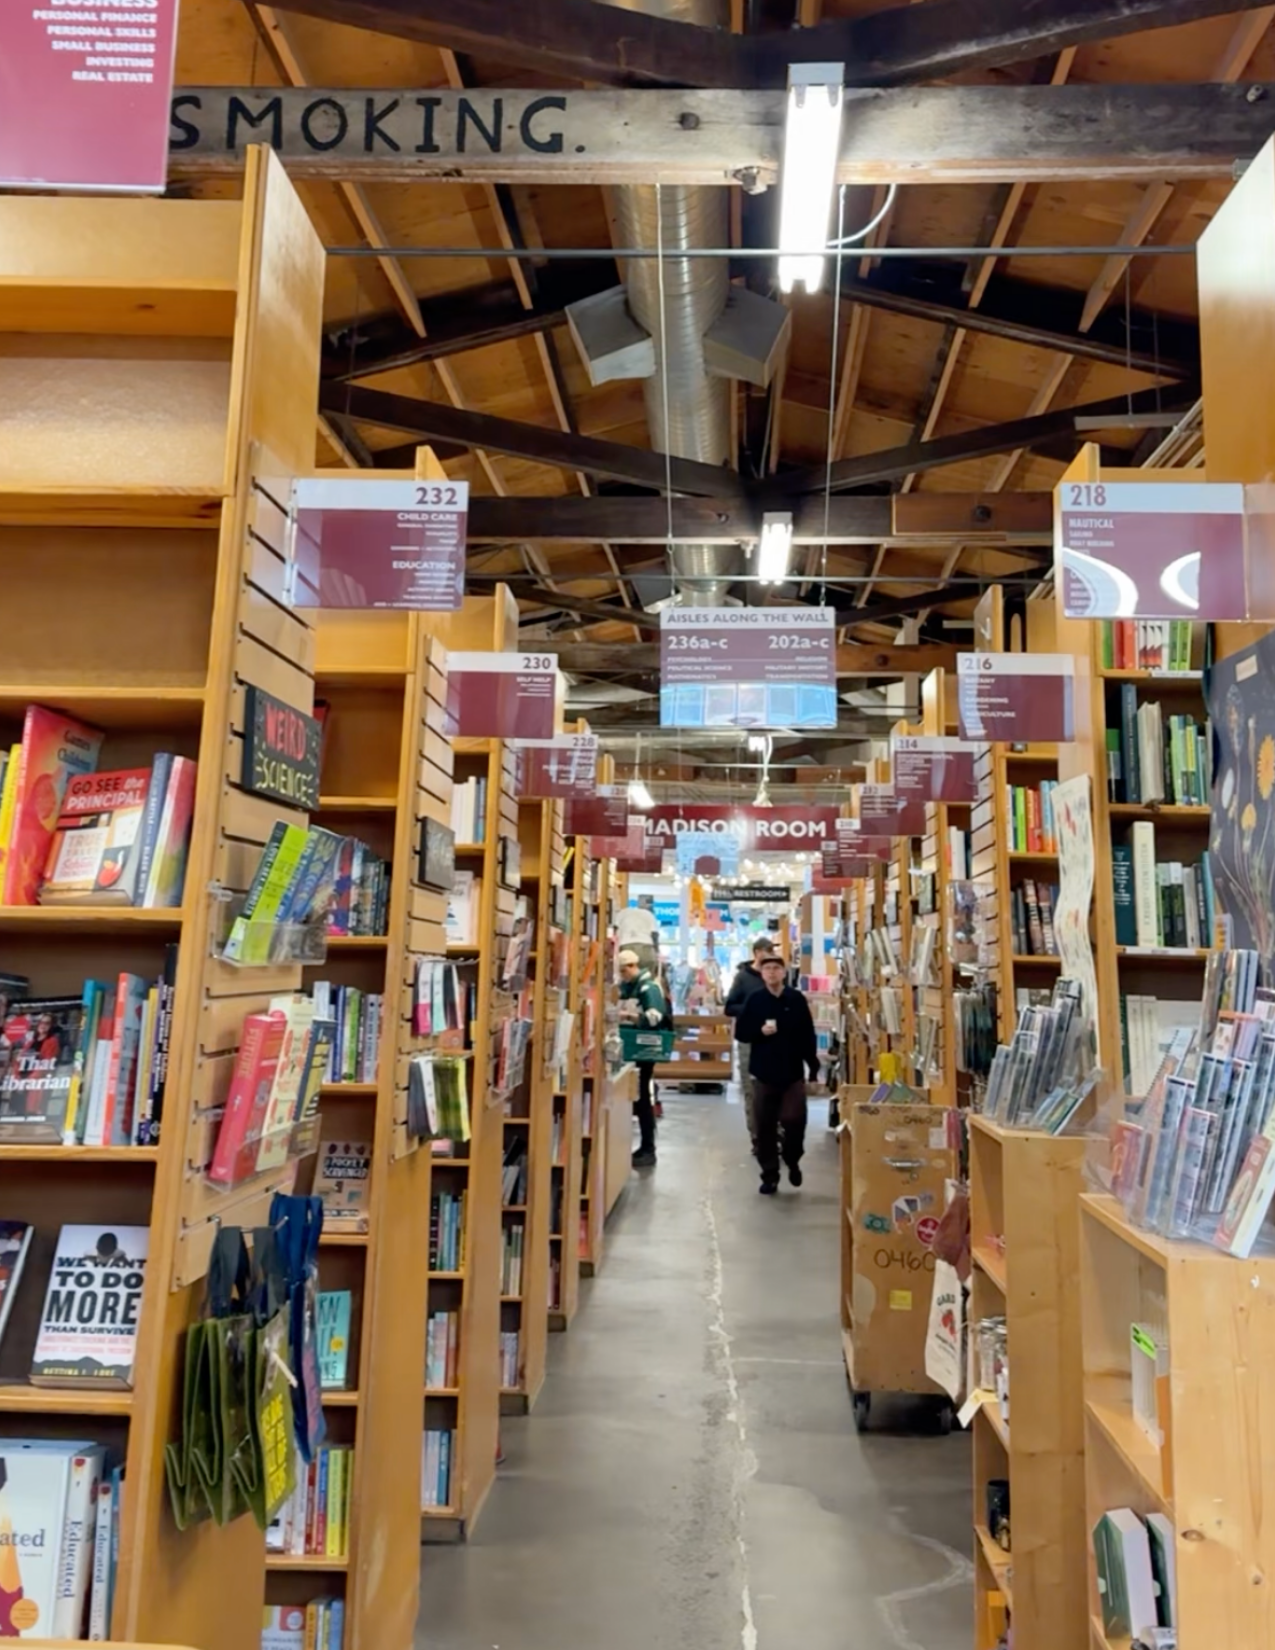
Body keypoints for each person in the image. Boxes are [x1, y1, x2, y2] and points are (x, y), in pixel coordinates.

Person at [735, 954, 819, 1194]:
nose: (771, 972)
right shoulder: (755, 1000)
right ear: (762, 974)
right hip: (763, 1073)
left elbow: (807, 1034)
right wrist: (759, 1031)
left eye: (776, 968)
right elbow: (742, 1033)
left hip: (792, 1072)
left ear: (784, 973)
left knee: (794, 1120)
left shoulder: (796, 999)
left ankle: (793, 1160)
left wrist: (813, 1067)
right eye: (767, 969)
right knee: (765, 1126)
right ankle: (769, 1175)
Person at [618, 948, 670, 1168]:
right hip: (632, 1050)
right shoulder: (629, 986)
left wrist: (628, 1016)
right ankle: (643, 1147)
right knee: (636, 1098)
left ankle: (648, 1148)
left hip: (643, 1051)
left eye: (623, 971)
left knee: (641, 1099)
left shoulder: (648, 988)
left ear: (632, 966)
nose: (622, 976)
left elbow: (655, 1017)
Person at [724, 937, 774, 1156]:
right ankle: (757, 1137)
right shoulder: (743, 978)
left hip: (774, 1041)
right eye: (766, 952)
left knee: (775, 1089)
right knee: (751, 1091)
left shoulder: (775, 976)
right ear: (756, 953)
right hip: (749, 1042)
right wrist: (752, 1008)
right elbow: (729, 1007)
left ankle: (774, 1134)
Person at [616, 897, 661, 972]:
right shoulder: (649, 915)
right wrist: (656, 951)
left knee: (629, 976)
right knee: (646, 976)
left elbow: (613, 931)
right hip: (646, 946)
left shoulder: (622, 913)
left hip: (626, 945)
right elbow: (654, 935)